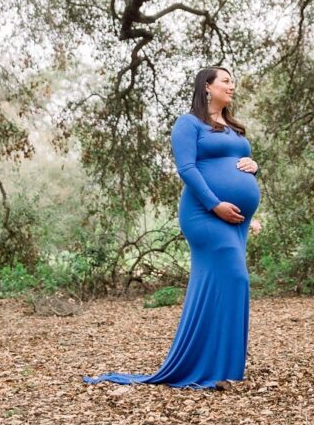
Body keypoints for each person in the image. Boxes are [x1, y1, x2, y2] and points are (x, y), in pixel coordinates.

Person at [83, 66, 262, 390]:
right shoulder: (189, 123)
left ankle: (224, 369)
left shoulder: (234, 128)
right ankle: (208, 368)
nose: (232, 86)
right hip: (204, 214)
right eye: (226, 81)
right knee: (236, 277)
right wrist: (215, 205)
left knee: (228, 283)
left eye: (232, 81)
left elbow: (241, 167)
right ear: (207, 87)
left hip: (234, 220)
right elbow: (187, 169)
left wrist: (254, 168)